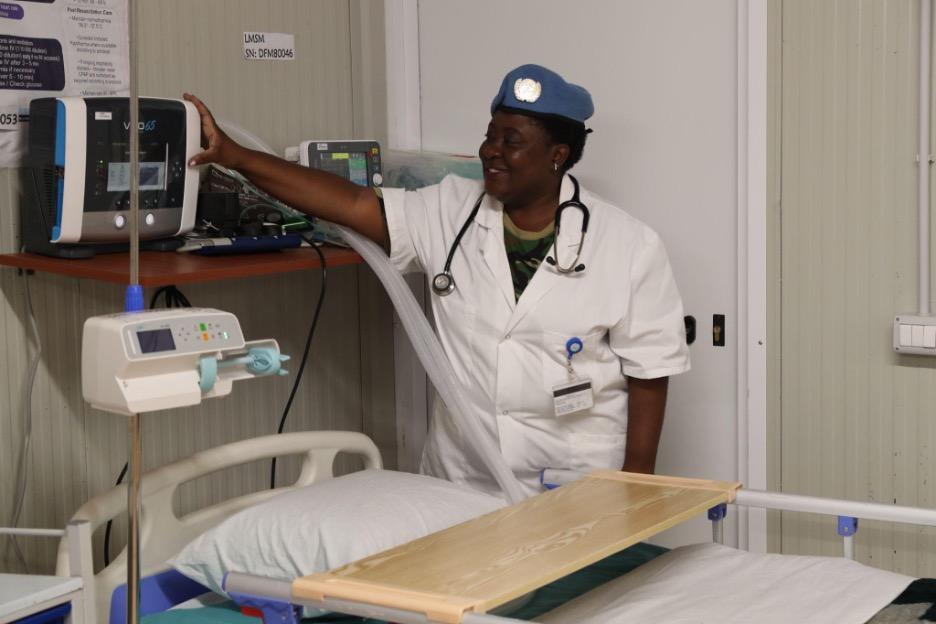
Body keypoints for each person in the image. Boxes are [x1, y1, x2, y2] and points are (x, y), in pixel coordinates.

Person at [184, 63, 690, 498]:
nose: (491, 151)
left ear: (557, 154)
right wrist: (238, 157)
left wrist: (635, 487)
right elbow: (352, 203)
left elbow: (650, 373)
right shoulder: (449, 209)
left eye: (511, 141)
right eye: (490, 135)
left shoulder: (628, 245)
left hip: (577, 485)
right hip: (462, 481)